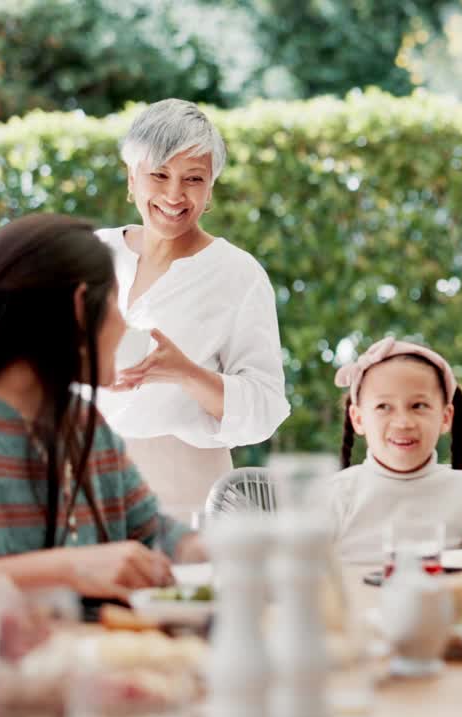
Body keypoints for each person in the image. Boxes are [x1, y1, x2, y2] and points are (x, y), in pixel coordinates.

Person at [0, 214, 203, 600]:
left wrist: (229, 549)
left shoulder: (86, 425)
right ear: (81, 307)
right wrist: (71, 570)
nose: (123, 321)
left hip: (95, 658)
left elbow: (154, 535)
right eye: (117, 300)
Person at [96, 98, 290, 511]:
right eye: (159, 174)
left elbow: (266, 407)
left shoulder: (238, 274)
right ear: (132, 179)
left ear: (211, 187)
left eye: (193, 178)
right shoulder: (89, 255)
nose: (173, 194)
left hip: (189, 490)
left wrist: (185, 373)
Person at [326, 337, 462, 563]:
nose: (403, 422)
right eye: (383, 406)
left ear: (446, 417)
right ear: (358, 419)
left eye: (419, 406)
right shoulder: (337, 494)